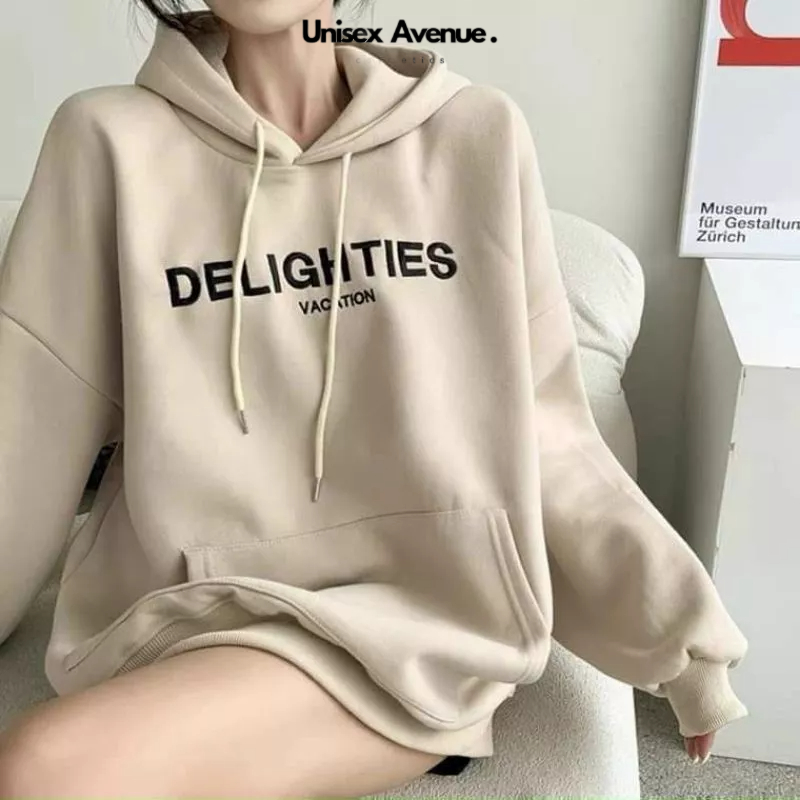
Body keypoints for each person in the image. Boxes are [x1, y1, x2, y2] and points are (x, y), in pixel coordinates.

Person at [0, 1, 748, 797]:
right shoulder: (105, 142)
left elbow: (546, 430)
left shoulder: (476, 135)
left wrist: (685, 640)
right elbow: (31, 415)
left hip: (420, 626)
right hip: (182, 613)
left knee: (43, 769)